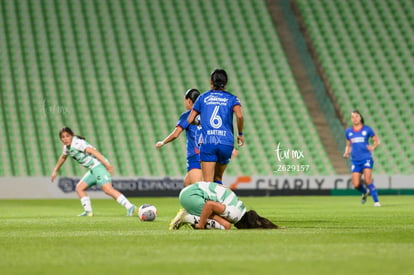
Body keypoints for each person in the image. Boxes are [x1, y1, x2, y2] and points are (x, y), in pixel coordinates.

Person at [51, 127, 137, 216]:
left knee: (108, 190)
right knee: (79, 188)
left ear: (72, 136)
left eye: (67, 136)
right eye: (63, 137)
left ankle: (130, 206)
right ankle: (88, 212)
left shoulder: (77, 143)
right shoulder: (67, 147)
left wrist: (107, 165)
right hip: (93, 169)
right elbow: (63, 157)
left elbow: (94, 152)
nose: (65, 139)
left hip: (99, 166)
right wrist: (55, 170)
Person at [187, 69, 244, 184]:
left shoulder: (203, 98)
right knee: (218, 179)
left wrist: (199, 123)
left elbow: (190, 119)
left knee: (207, 182)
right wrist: (240, 134)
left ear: (211, 82)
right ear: (226, 83)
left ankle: (213, 202)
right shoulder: (232, 98)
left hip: (208, 142)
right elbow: (239, 116)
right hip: (226, 143)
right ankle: (228, 201)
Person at [169, 181, 279, 230]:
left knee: (224, 223)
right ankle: (186, 217)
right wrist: (201, 225)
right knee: (226, 226)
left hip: (190, 192)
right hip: (191, 196)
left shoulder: (241, 207)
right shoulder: (235, 214)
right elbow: (209, 205)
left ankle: (190, 215)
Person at [155, 89, 202, 186]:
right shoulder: (206, 115)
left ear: (189, 100)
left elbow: (176, 134)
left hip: (196, 156)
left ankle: (229, 199)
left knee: (199, 190)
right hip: (208, 155)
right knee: (187, 185)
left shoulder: (188, 114)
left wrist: (163, 142)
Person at [343, 110, 381, 207]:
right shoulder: (348, 131)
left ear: (360, 118)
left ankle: (376, 201)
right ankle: (365, 192)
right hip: (355, 160)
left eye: (356, 116)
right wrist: (346, 152)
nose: (354, 118)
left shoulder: (367, 129)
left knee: (368, 180)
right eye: (352, 117)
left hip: (366, 158)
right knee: (356, 184)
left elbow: (376, 140)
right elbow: (348, 144)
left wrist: (373, 146)